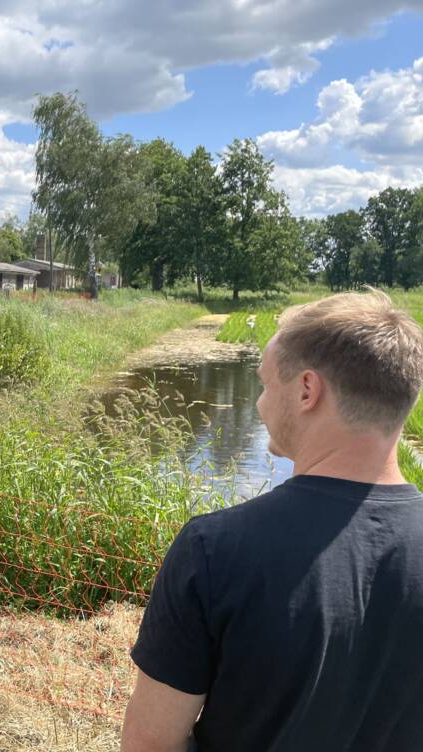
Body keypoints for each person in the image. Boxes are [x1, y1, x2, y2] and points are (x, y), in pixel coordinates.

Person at [121, 290, 423, 752]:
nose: (260, 404)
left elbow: (150, 745)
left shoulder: (215, 549)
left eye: (264, 384)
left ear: (307, 390)